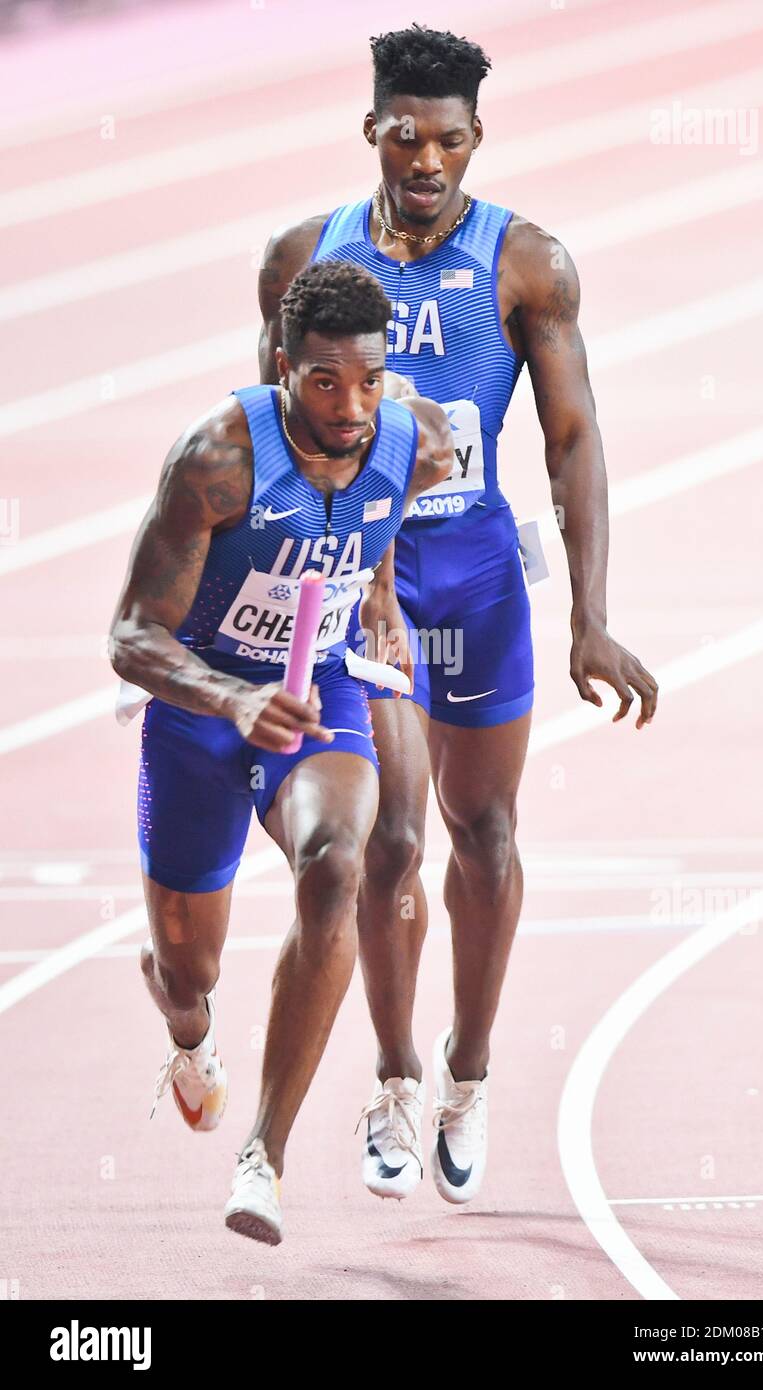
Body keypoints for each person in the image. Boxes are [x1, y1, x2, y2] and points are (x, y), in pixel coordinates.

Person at [257, 25, 659, 1206]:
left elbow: (571, 438)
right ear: (370, 129)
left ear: (475, 140)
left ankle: (465, 1071)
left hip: (474, 582)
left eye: (446, 140)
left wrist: (589, 616)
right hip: (354, 592)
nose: (424, 158)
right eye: (403, 134)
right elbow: (259, 440)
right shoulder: (304, 259)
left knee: (482, 834)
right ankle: (387, 1076)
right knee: (387, 840)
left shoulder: (525, 263)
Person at [108, 259, 454, 1245]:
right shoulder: (217, 457)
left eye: (368, 382)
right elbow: (130, 634)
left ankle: (263, 1152)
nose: (350, 408)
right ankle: (188, 1030)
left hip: (322, 694)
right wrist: (230, 694)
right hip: (202, 709)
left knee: (336, 861)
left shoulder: (413, 442)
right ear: (279, 365)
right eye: (323, 384)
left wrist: (378, 603)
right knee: (191, 968)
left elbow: (375, 518)